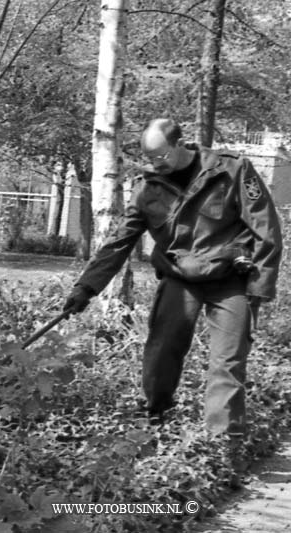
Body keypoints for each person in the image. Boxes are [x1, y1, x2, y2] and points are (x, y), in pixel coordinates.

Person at [64, 118, 282, 440]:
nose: (156, 164)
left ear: (181, 144)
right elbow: (118, 242)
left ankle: (223, 443)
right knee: (162, 349)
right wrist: (86, 287)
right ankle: (156, 415)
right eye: (149, 158)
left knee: (228, 362)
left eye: (161, 156)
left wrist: (259, 288)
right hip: (180, 279)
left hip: (231, 280)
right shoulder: (147, 189)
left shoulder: (231, 170)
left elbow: (266, 228)